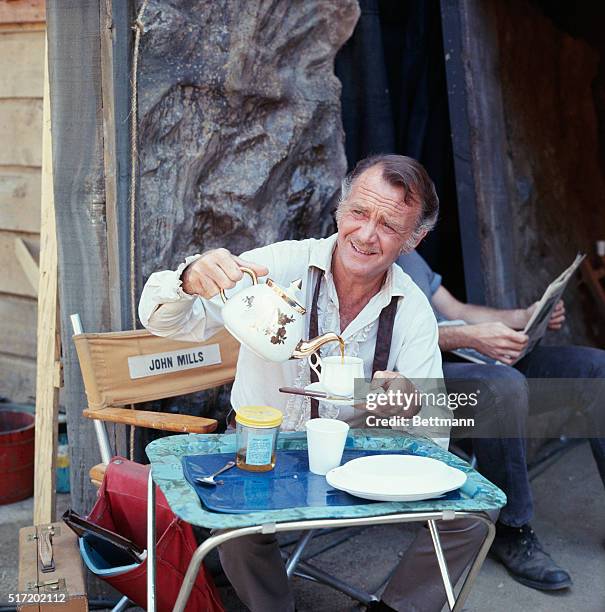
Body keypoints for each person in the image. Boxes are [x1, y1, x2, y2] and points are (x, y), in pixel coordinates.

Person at [139, 154, 495, 612]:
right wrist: (189, 279)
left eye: (389, 225)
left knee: (472, 516)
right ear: (339, 210)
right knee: (236, 525)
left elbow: (433, 439)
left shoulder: (411, 309)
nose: (367, 235)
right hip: (262, 452)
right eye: (359, 213)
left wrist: (407, 403)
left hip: (355, 461)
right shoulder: (280, 267)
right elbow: (167, 323)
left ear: (414, 240)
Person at [397, 249, 605, 592]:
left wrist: (523, 316)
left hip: (471, 363)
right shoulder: (362, 258)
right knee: (501, 386)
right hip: (418, 388)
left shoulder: (409, 255)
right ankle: (511, 529)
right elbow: (387, 339)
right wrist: (468, 337)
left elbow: (460, 312)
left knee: (595, 370)